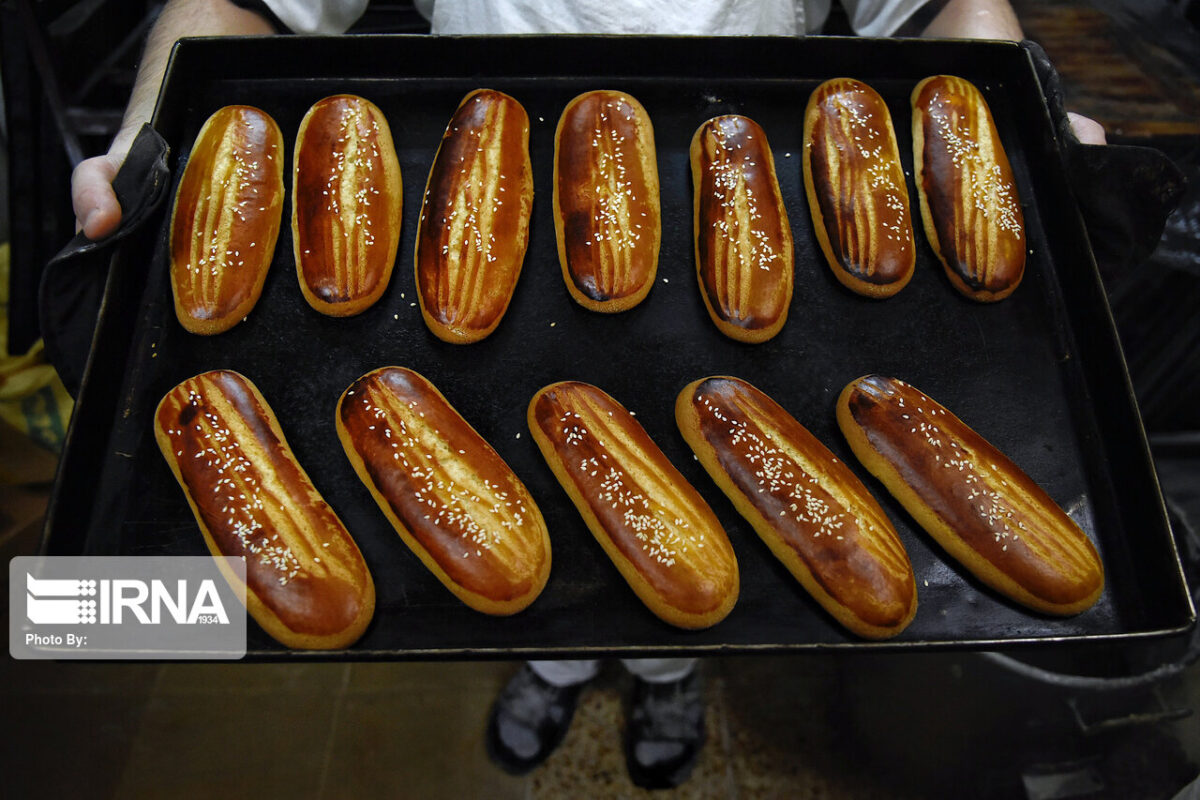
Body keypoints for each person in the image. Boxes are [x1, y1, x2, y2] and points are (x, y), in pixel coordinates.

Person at [66, 0, 1109, 790]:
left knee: (696, 589)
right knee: (540, 574)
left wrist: (1022, 121)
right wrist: (151, 129)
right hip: (481, 228)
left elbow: (945, 12)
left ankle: (665, 684)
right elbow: (236, 7)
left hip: (757, 177)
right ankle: (554, 673)